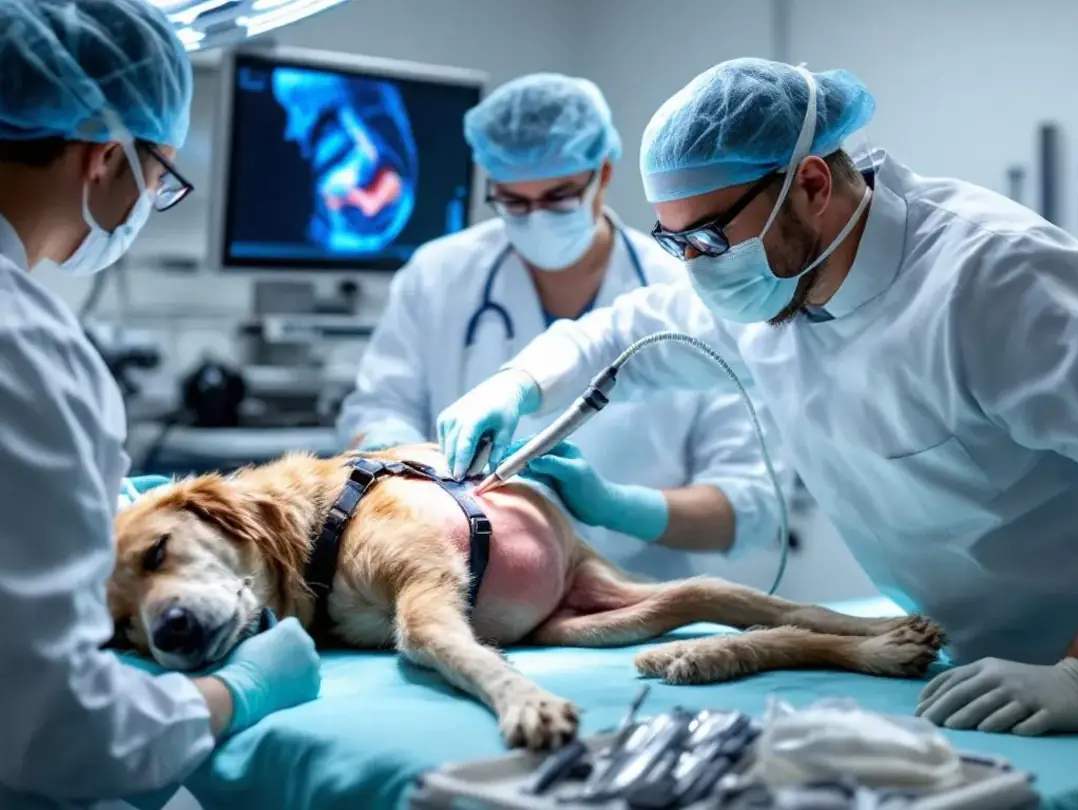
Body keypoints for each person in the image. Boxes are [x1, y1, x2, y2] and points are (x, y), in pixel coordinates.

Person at [436, 57, 1078, 736]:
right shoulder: (774, 284)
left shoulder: (995, 279)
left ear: (810, 184)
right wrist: (517, 384)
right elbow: (617, 337)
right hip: (963, 662)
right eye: (674, 242)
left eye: (708, 238)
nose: (694, 266)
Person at [0, 2, 321, 806]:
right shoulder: (24, 348)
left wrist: (89, 510)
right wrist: (238, 691)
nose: (153, 199)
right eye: (161, 175)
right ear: (105, 157)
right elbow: (58, 730)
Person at [336, 72, 789, 580]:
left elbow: (751, 503)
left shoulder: (687, 294)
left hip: (637, 589)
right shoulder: (438, 275)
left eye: (559, 197)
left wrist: (617, 507)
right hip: (469, 581)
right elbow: (376, 408)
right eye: (513, 201)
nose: (536, 218)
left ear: (604, 173)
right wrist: (409, 458)